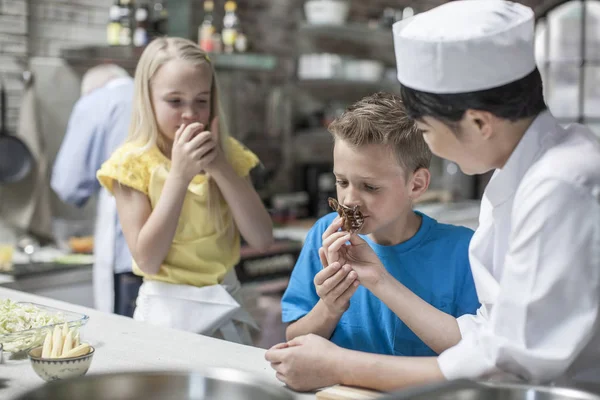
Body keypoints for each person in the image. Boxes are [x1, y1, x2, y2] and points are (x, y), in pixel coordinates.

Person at [266, 0, 600, 392]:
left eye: (425, 130)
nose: (430, 146)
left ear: (478, 122)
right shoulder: (520, 177)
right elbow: (487, 338)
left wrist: (340, 366)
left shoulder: (561, 186)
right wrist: (377, 279)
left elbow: (508, 367)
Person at [97, 37, 273, 344]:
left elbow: (261, 239)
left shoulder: (229, 154)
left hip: (226, 308)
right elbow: (149, 260)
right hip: (165, 319)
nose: (190, 113)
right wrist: (179, 176)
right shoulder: (131, 164)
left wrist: (219, 166)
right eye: (175, 101)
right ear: (147, 100)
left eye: (201, 101)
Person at [280, 92, 479, 357]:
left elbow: (477, 354)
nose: (350, 200)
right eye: (341, 182)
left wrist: (381, 282)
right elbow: (294, 340)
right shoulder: (323, 236)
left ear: (416, 184)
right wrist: (329, 307)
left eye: (370, 187)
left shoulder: (462, 251)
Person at [51, 63, 142, 317]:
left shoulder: (96, 101)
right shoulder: (154, 94)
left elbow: (69, 184)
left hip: (125, 248)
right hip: (174, 251)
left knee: (128, 340)